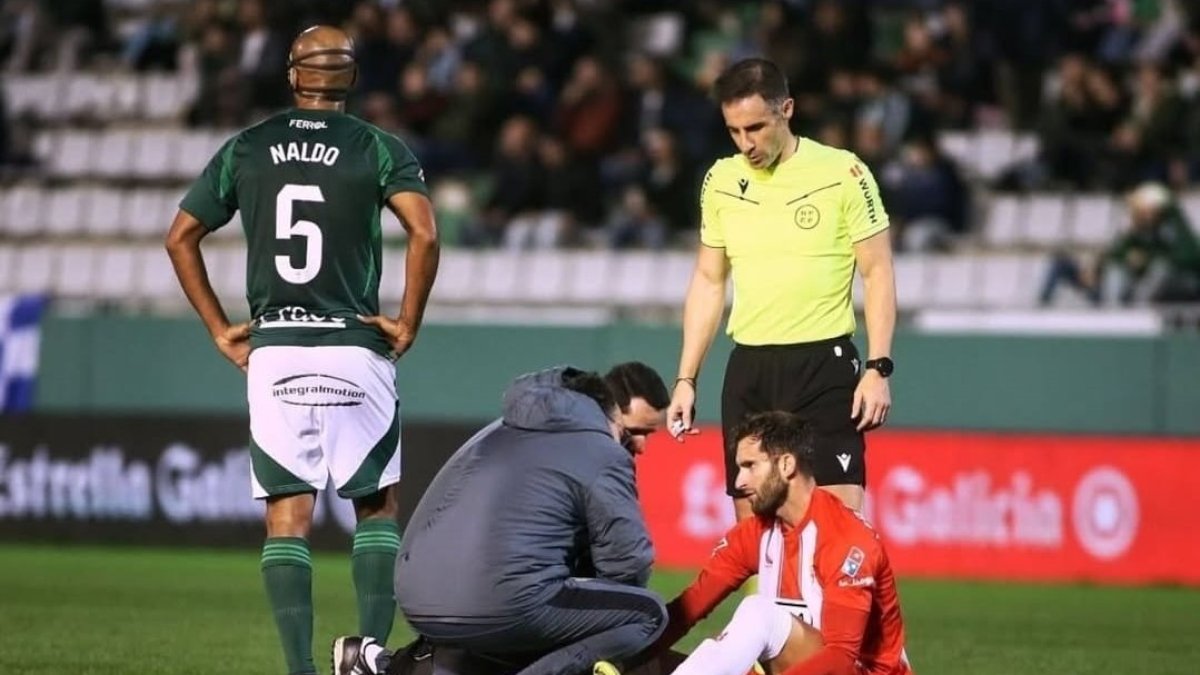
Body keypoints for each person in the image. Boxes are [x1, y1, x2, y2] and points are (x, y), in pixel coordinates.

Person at [164, 25, 439, 675]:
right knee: (376, 504)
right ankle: (368, 653)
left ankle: (300, 669)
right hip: (354, 344)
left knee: (287, 517)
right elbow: (424, 233)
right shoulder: (378, 148)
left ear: (293, 75)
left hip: (276, 348)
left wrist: (216, 325)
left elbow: (180, 237)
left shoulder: (247, 148)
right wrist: (407, 321)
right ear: (351, 78)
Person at [333, 362, 671, 675]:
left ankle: (386, 665)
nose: (640, 446)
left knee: (529, 600)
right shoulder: (601, 451)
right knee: (645, 614)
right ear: (609, 411)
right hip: (495, 601)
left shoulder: (500, 429)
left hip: (416, 595)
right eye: (636, 432)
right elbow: (628, 566)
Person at [667, 57, 897, 517]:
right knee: (755, 540)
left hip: (823, 367)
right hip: (749, 369)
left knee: (838, 529)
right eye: (734, 131)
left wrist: (878, 367)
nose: (745, 143)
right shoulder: (721, 181)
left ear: (786, 109)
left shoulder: (843, 173)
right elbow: (709, 281)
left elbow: (878, 273)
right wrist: (686, 379)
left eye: (755, 127)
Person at [657, 412, 913, 675]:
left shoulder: (846, 540)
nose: (739, 482)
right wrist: (633, 655)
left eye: (750, 466)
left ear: (787, 465)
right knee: (654, 666)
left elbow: (840, 659)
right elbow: (690, 607)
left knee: (758, 613)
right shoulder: (756, 533)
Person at [1040, 182, 1200, 306]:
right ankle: (1041, 310)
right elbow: (1115, 253)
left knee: (1147, 269)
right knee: (1061, 262)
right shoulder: (1131, 233)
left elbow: (1186, 256)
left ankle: (1122, 314)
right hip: (1108, 288)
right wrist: (1095, 269)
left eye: (1145, 209)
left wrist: (1144, 261)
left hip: (1135, 294)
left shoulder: (1167, 236)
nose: (1139, 214)